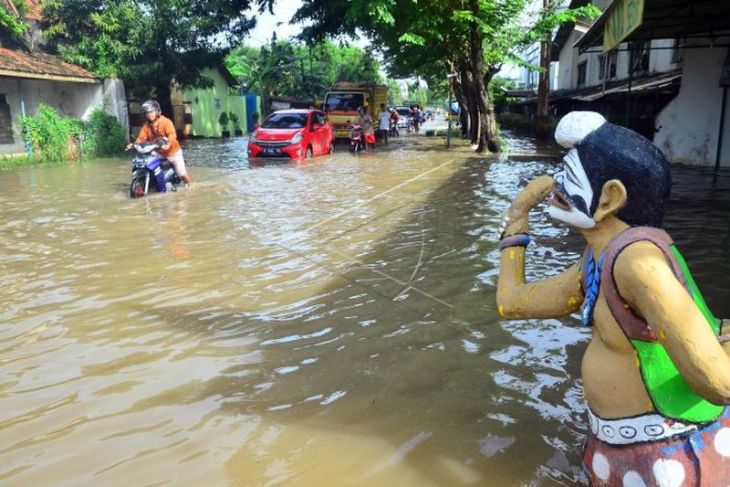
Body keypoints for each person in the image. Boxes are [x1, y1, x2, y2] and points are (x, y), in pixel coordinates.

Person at [497, 111, 730, 485]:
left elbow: (719, 382)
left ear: (609, 199)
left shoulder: (639, 265)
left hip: (670, 456)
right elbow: (512, 302)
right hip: (617, 448)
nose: (556, 185)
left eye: (569, 175)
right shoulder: (596, 259)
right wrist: (517, 216)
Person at [126, 100, 191, 186]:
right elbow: (141, 138)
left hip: (172, 152)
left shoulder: (166, 122)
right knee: (145, 164)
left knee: (182, 174)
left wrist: (168, 144)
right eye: (147, 112)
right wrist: (134, 144)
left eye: (151, 112)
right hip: (157, 152)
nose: (149, 114)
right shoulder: (146, 126)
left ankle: (189, 186)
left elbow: (172, 134)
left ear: (157, 111)